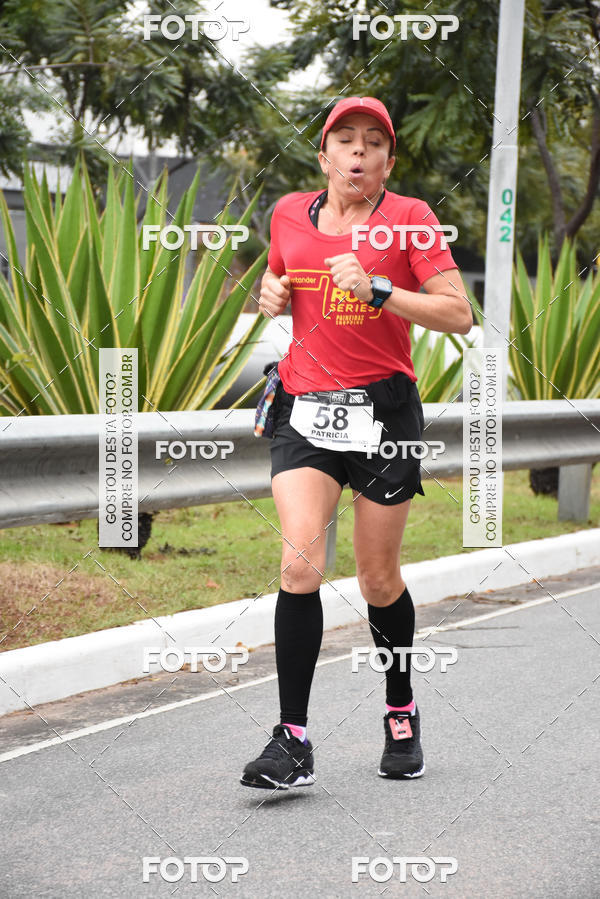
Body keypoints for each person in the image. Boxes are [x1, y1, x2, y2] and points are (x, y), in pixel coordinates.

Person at [241, 96, 472, 790]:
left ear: (387, 161)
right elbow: (278, 279)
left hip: (384, 414)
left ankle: (400, 709)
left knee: (376, 578)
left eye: (374, 142)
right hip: (305, 410)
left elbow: (457, 312)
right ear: (325, 156)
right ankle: (293, 739)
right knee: (297, 565)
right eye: (346, 140)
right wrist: (270, 293)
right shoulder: (288, 214)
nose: (359, 152)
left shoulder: (411, 220)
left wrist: (379, 288)